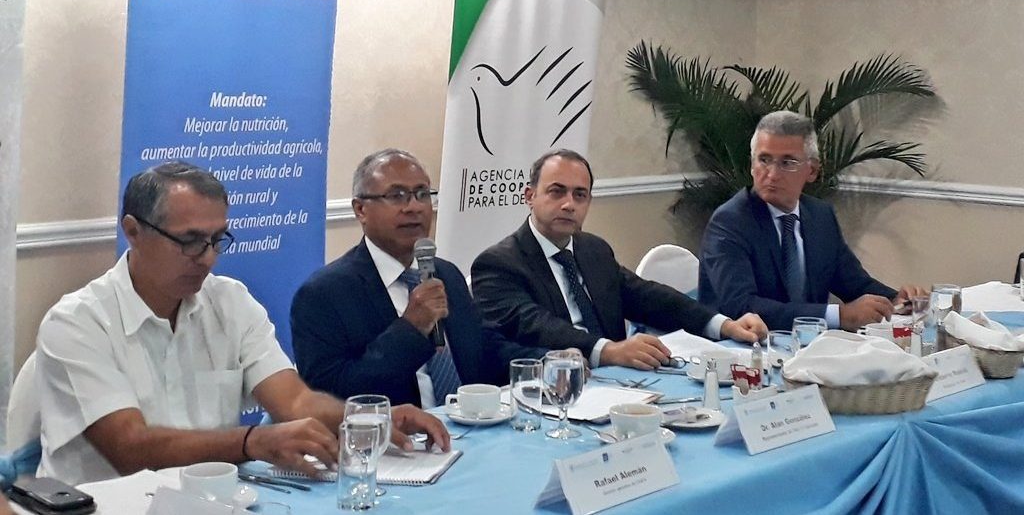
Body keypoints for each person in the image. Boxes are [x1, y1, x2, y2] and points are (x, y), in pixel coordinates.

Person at [35, 162, 448, 486]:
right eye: (190, 241)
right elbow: (129, 447)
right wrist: (251, 442)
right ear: (133, 231)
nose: (207, 258)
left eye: (217, 240)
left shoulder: (229, 301)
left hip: (212, 498)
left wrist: (367, 420)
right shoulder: (77, 322)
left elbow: (295, 402)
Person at [291, 149, 548, 408]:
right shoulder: (324, 294)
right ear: (360, 210)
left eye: (422, 194)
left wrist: (548, 362)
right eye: (396, 195)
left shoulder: (446, 273)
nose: (413, 207)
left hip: (470, 421)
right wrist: (410, 329)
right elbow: (329, 395)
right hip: (397, 429)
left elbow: (485, 348)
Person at [471, 149, 767, 371]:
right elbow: (537, 325)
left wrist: (723, 325)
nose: (568, 204)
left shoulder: (593, 250)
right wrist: (608, 351)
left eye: (580, 195)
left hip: (618, 384)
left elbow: (648, 297)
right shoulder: (499, 264)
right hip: (549, 392)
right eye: (556, 192)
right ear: (530, 196)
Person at [698, 110, 926, 331]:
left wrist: (897, 301)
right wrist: (839, 316)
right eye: (764, 160)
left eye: (787, 163)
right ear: (751, 165)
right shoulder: (730, 222)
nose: (772, 174)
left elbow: (854, 283)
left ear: (812, 170)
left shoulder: (819, 215)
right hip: (741, 348)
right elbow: (741, 307)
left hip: (808, 346)